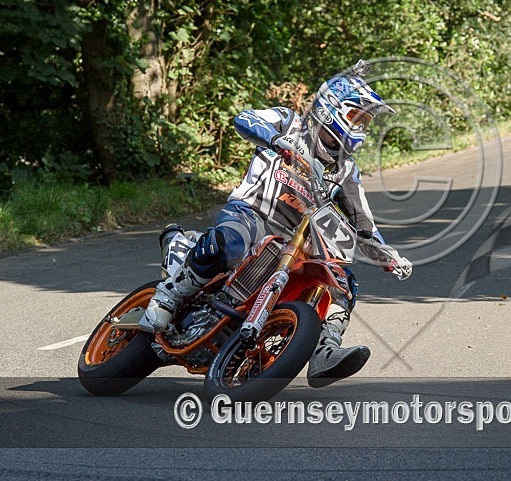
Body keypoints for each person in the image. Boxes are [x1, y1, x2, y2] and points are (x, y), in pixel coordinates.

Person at [140, 60, 411, 387]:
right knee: (232, 240)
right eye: (357, 118)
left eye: (365, 122)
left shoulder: (346, 170)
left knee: (342, 280)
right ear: (331, 109)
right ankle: (168, 296)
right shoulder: (288, 122)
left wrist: (387, 253)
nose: (361, 128)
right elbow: (245, 118)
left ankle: (325, 349)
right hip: (252, 214)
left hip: (294, 240)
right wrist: (276, 140)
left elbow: (363, 221)